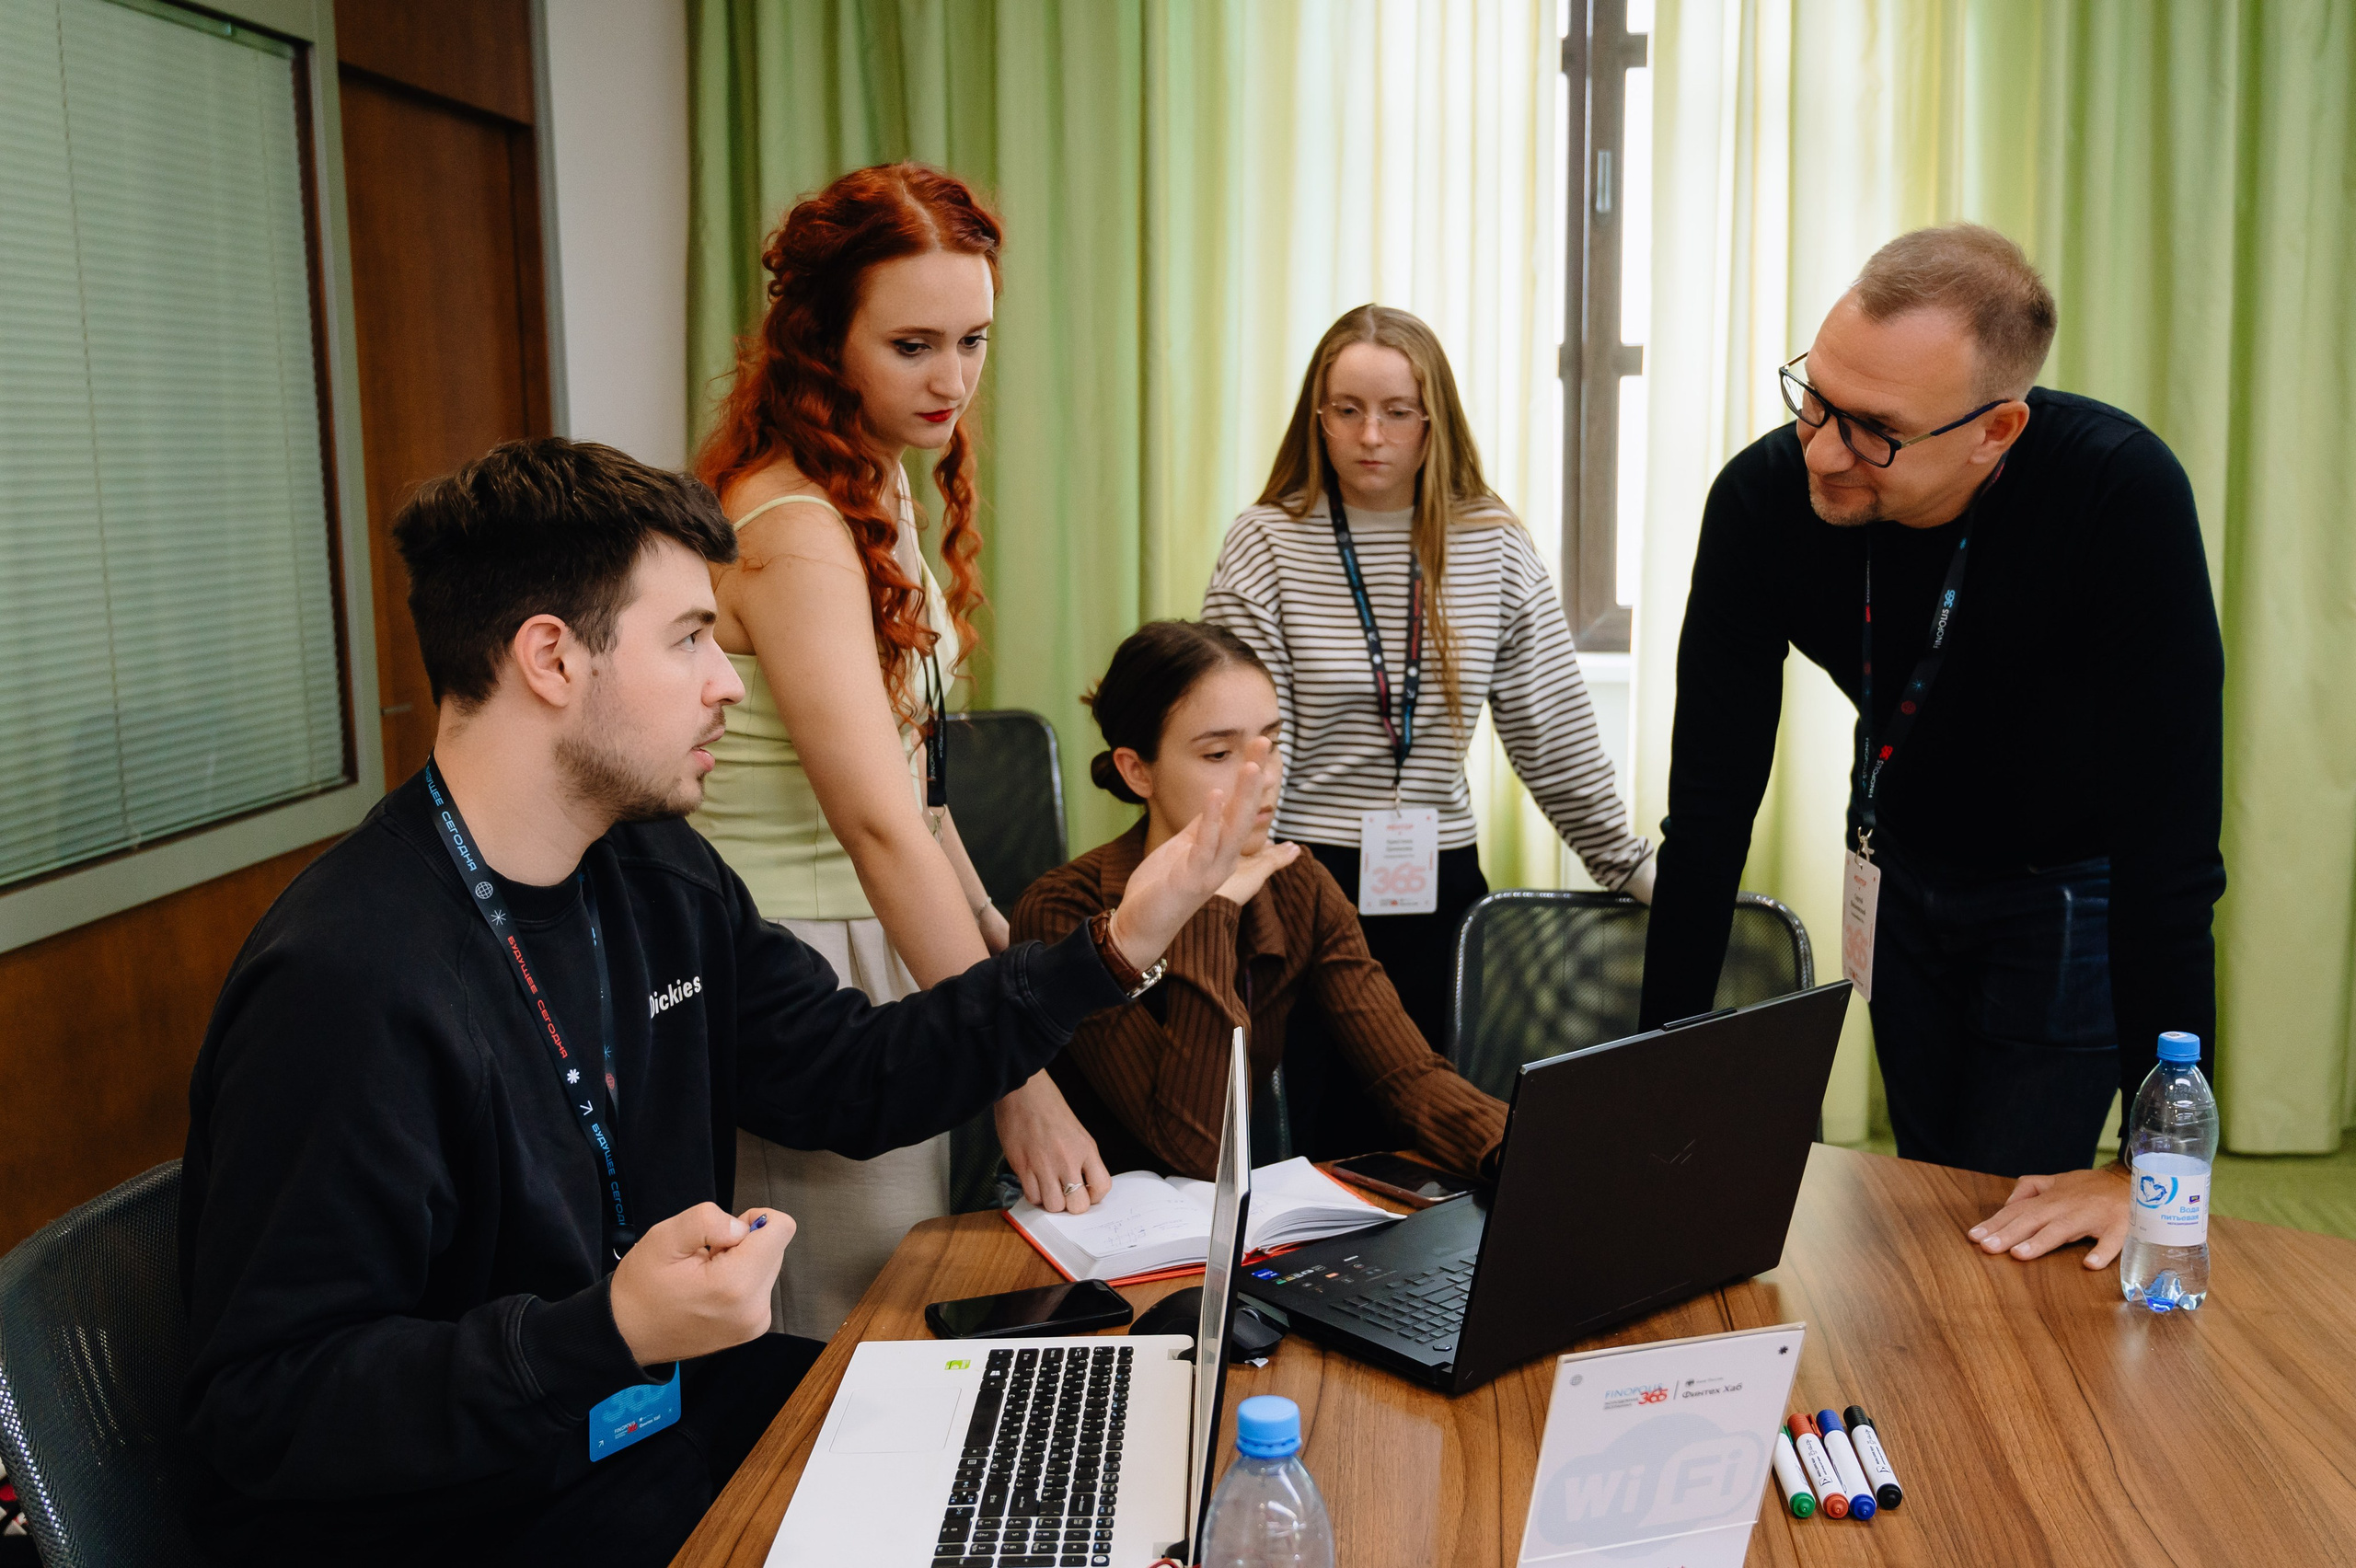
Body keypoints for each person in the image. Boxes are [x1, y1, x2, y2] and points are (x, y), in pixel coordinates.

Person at [176, 439, 1265, 1566]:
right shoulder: (345, 978)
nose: (730, 682)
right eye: (689, 638)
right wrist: (603, 1331)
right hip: (480, 1518)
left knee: (1075, 1475)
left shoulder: (654, 870)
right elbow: (266, 1407)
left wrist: (1114, 947)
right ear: (552, 658)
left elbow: (853, 1075)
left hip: (650, 1434)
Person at [1635, 224, 2226, 1274]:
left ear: (1996, 429)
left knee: (2002, 1232)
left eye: (1874, 430)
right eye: (1814, 398)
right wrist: (1653, 1079)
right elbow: (1711, 806)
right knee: (1927, 1189)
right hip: (1898, 870)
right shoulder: (1762, 499)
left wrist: (2153, 1164)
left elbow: (2169, 852)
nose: (1821, 450)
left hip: (2065, 895)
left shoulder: (2117, 497)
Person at [688, 163, 1108, 1342]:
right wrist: (1015, 1077)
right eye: (912, 345)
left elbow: (917, 788)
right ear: (823, 339)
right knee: (841, 1333)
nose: (952, 380)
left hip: (885, 933)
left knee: (900, 1304)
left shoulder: (873, 490)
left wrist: (992, 946)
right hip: (804, 962)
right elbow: (874, 825)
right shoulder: (796, 527)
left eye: (973, 341)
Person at [1204, 306, 1650, 1145]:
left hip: (1438, 878)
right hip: (1297, 875)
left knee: (1434, 1125)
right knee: (1309, 1135)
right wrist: (1239, 878)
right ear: (1318, 417)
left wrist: (1624, 862)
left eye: (1397, 411)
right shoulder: (1268, 541)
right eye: (1347, 410)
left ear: (1432, 419)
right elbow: (1244, 741)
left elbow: (1550, 726)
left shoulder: (1493, 543)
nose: (1371, 435)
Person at [1011, 621, 1509, 1180]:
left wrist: (1525, 1149)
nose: (1263, 778)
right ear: (1137, 770)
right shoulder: (1063, 909)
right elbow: (1195, 1150)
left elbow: (1408, 1076)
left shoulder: (1298, 886)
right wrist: (1212, 908)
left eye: (1271, 745)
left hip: (1229, 1216)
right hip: (1087, 1214)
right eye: (1219, 753)